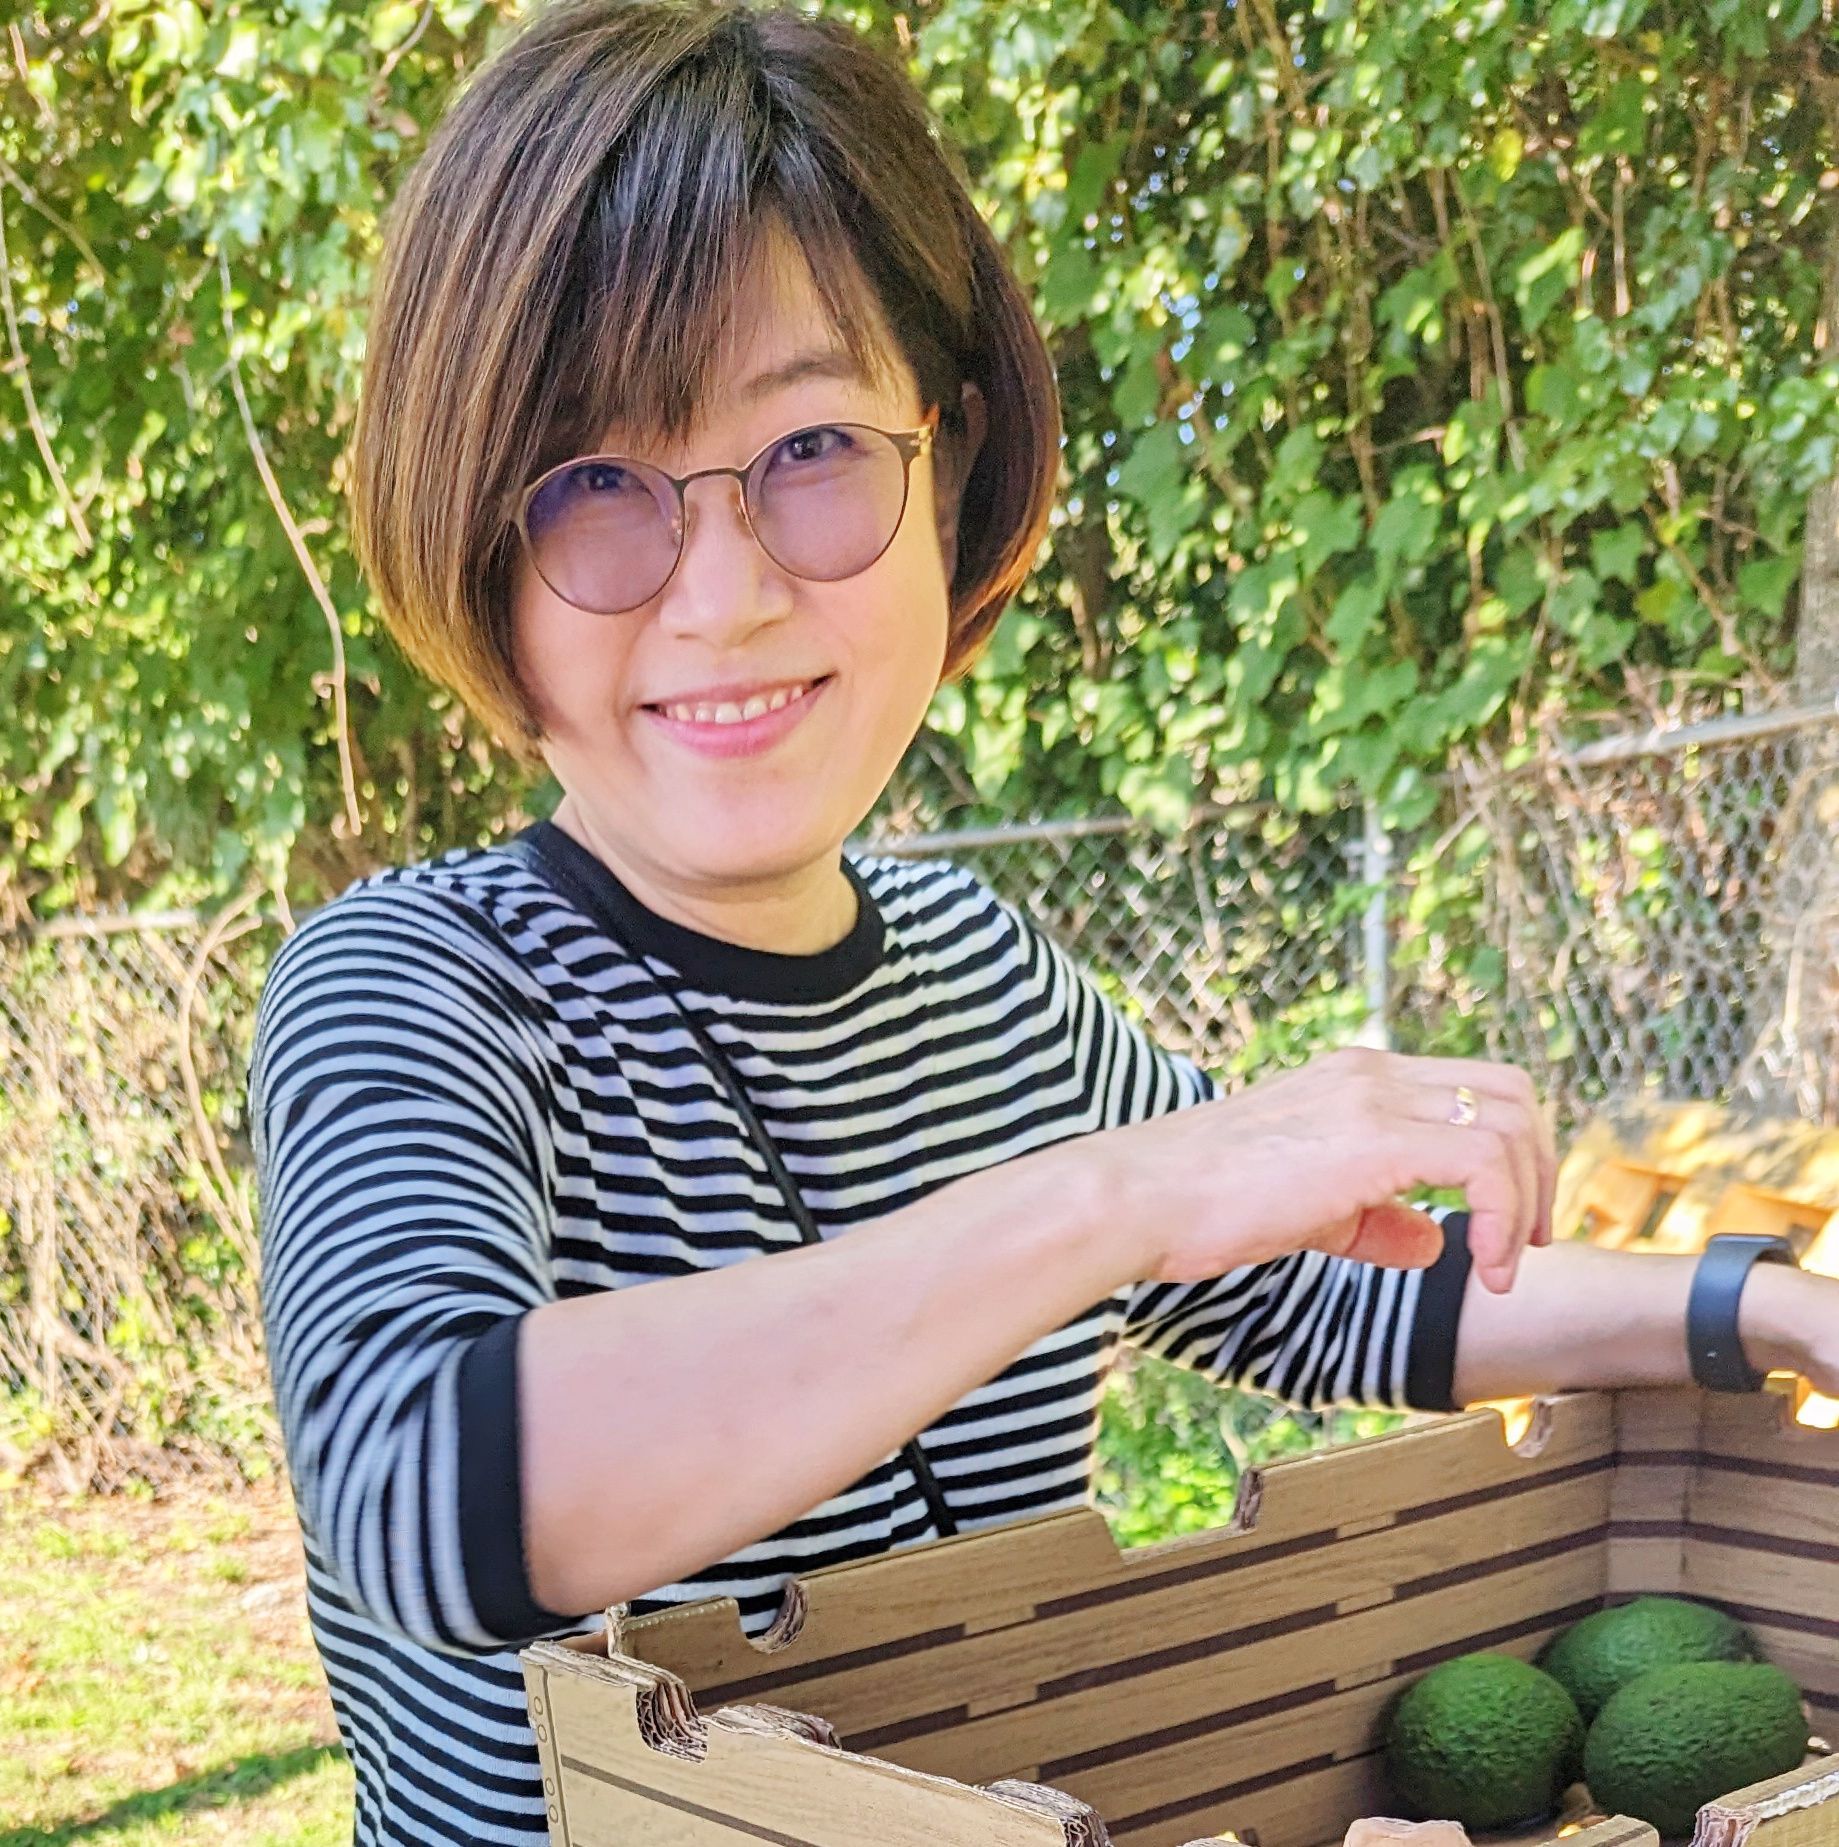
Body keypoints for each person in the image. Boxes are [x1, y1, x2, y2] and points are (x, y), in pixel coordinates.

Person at [248, 4, 1839, 1843]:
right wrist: (1109, 1201)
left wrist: (1770, 1307)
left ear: (952, 466)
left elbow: (1345, 1299)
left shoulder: (982, 976)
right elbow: (420, 1497)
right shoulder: (415, 988)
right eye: (593, 484)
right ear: (474, 538)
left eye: (812, 447)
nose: (723, 595)